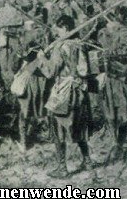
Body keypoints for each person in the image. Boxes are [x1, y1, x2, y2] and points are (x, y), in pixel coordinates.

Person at [38, 15, 98, 177]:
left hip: (64, 91)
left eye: (58, 28)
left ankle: (62, 168)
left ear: (64, 28)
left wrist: (42, 58)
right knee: (79, 125)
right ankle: (87, 161)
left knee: (57, 126)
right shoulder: (80, 44)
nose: (56, 31)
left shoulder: (61, 47)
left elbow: (51, 72)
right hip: (80, 91)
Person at [97, 6, 127, 163]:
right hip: (111, 76)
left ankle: (120, 142)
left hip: (123, 77)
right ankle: (115, 142)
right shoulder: (107, 33)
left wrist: (109, 53)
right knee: (111, 111)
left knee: (125, 111)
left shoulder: (125, 33)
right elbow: (100, 41)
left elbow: (126, 52)